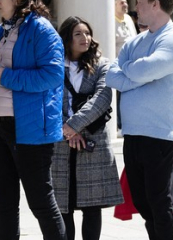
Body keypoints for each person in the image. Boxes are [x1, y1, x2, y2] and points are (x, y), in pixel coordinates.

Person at [0, 0, 68, 240]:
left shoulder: (42, 30)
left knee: (41, 202)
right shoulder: (3, 31)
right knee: (4, 201)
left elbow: (52, 76)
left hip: (30, 127)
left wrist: (5, 76)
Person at [106, 0, 173, 240]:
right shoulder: (136, 41)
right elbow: (112, 75)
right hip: (134, 134)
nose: (136, 8)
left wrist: (132, 72)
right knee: (143, 204)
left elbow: (141, 70)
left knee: (161, 205)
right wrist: (138, 75)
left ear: (155, 4)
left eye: (140, 2)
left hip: (161, 134)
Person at [50, 18, 120, 240]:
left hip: (93, 142)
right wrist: (67, 130)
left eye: (87, 33)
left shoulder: (102, 65)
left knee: (92, 208)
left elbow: (103, 97)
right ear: (67, 38)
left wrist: (73, 125)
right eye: (78, 34)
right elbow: (48, 100)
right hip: (60, 144)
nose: (85, 38)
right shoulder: (53, 65)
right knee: (63, 207)